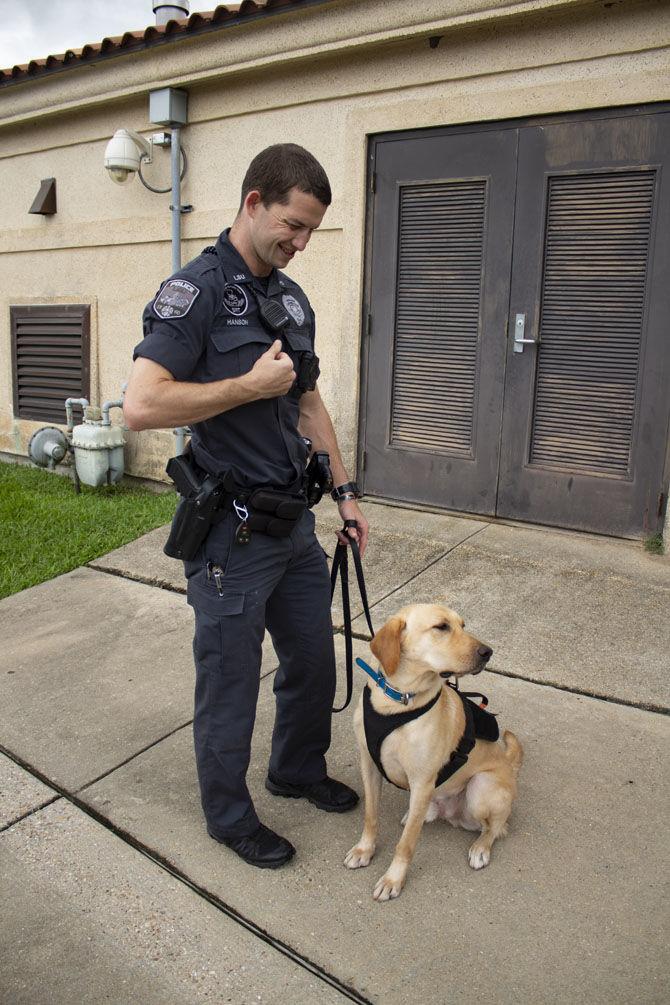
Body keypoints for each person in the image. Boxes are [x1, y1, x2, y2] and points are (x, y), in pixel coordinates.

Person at [123, 143, 369, 869]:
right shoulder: (193, 292)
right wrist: (243, 388)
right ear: (254, 202)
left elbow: (308, 399)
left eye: (312, 231)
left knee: (314, 663)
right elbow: (140, 403)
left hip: (293, 523)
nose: (300, 243)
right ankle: (228, 816)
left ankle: (294, 768)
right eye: (293, 225)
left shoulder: (291, 300)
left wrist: (345, 490)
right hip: (229, 535)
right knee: (229, 682)